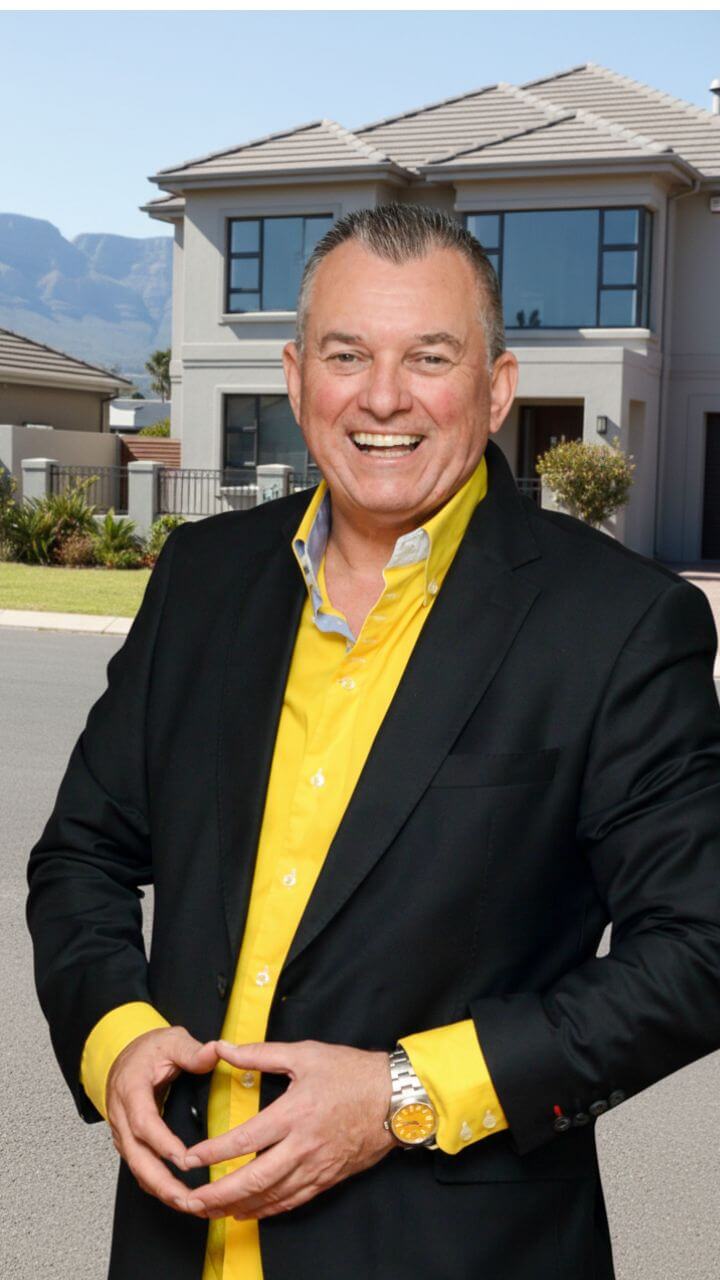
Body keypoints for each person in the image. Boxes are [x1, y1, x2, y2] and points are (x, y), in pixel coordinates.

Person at [27, 204, 720, 1280]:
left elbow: (699, 949)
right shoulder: (201, 580)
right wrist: (115, 1032)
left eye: (429, 357)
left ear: (495, 386)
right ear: (299, 378)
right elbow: (80, 853)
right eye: (348, 354)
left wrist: (404, 1093)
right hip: (179, 1240)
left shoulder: (618, 626)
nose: (383, 396)